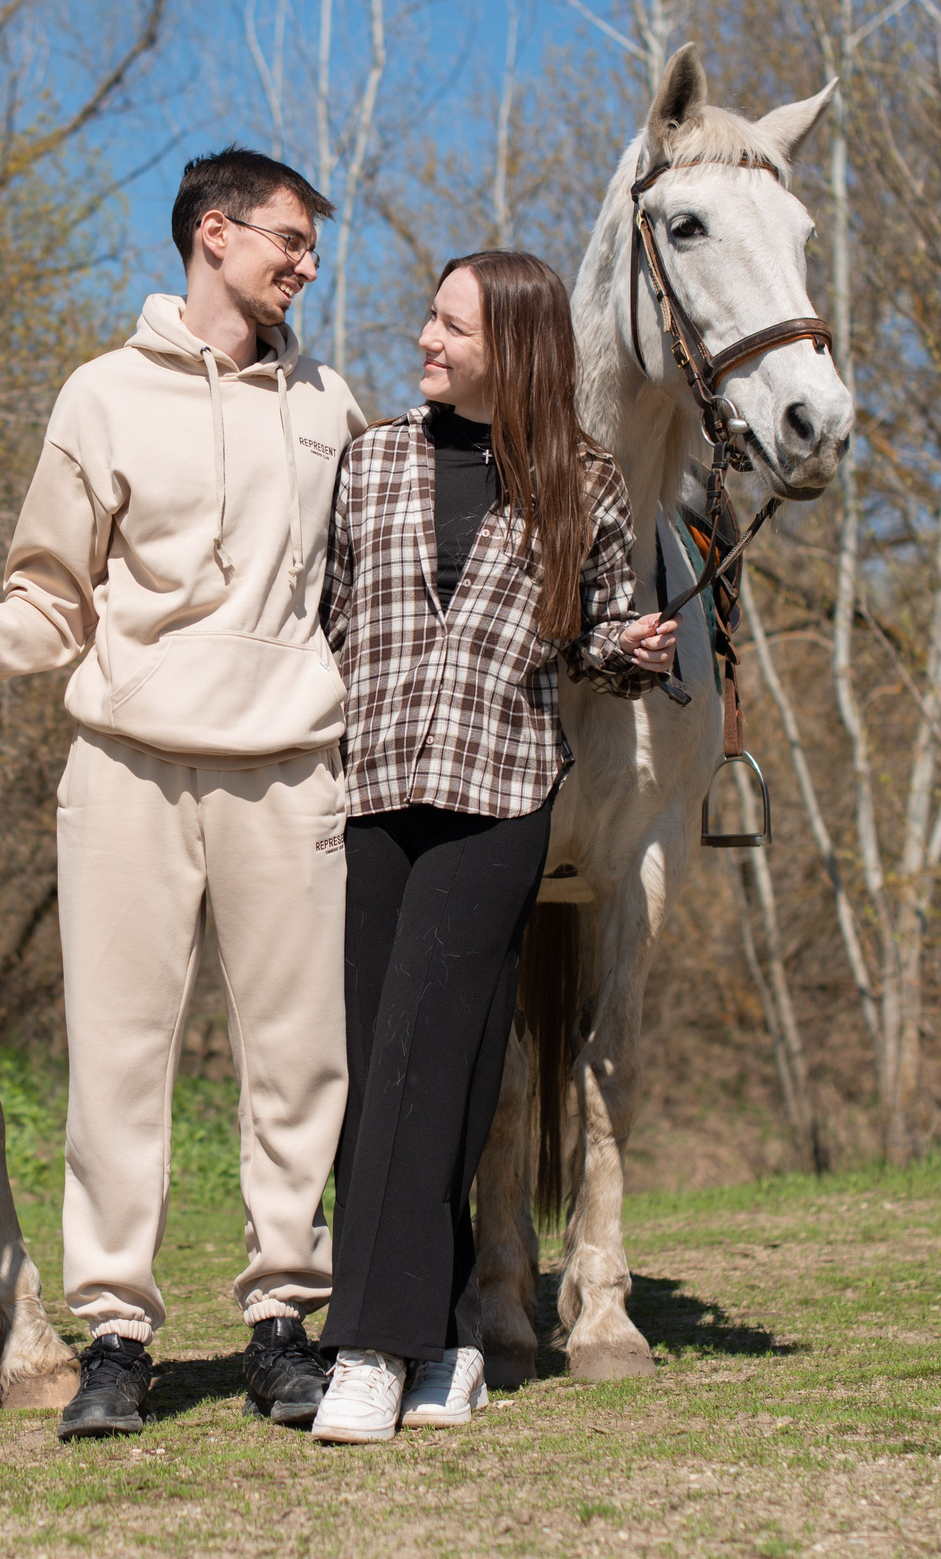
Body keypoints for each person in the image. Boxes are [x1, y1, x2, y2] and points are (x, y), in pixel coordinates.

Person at [0, 149, 370, 1441]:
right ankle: (115, 1338)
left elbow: (370, 588)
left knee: (300, 1064)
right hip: (127, 774)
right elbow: (51, 598)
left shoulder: (329, 405)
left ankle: (281, 1326)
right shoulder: (97, 398)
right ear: (215, 235)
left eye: (309, 246)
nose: (305, 263)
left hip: (289, 772)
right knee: (117, 1064)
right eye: (288, 239)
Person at [306, 250, 678, 1445]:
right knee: (403, 1065)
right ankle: (457, 1339)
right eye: (428, 315)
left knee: (422, 1045)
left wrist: (637, 647)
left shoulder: (586, 483)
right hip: (376, 793)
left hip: (499, 795)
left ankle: (371, 1343)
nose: (424, 336)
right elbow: (332, 614)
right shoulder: (371, 461)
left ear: (510, 346)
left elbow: (597, 637)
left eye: (451, 325)